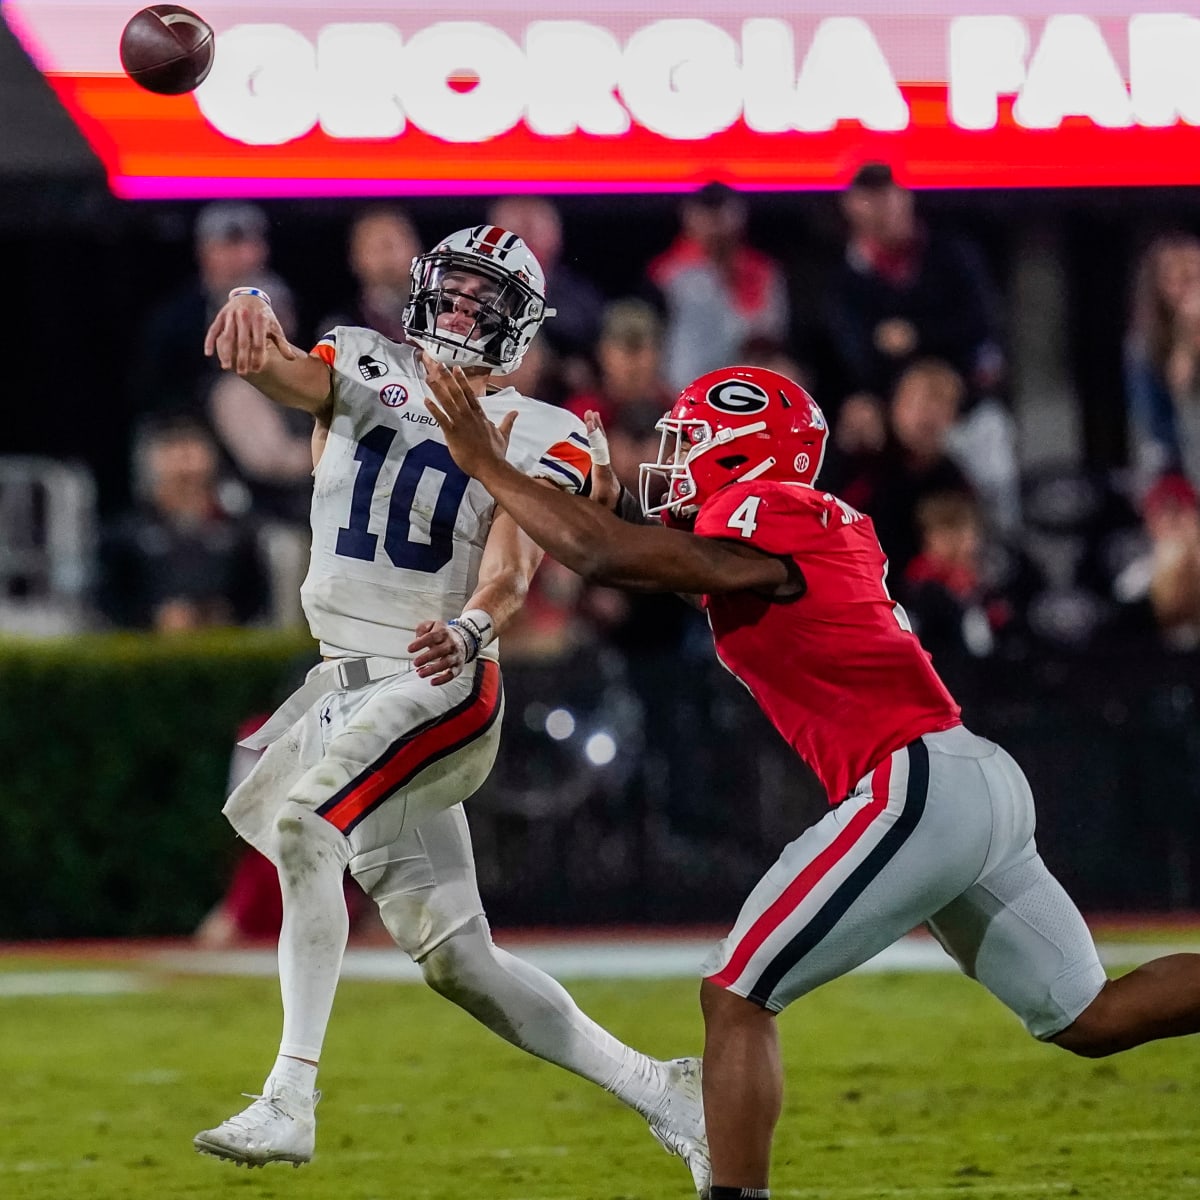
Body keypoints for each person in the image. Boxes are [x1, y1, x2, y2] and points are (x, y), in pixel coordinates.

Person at [425, 360, 1200, 1200]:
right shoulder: (806, 527)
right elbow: (657, 562)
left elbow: (608, 559)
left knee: (737, 994)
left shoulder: (777, 511)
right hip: (964, 780)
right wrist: (604, 509)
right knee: (1088, 1015)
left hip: (917, 784)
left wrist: (488, 465)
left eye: (693, 443)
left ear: (739, 456)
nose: (674, 460)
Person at [189, 225, 707, 1188]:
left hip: (439, 676)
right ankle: (667, 1090)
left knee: (308, 825)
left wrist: (471, 628)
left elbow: (512, 567)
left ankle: (290, 1097)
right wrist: (256, 305)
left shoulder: (542, 429)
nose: (465, 310)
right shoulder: (361, 358)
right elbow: (286, 373)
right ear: (425, 291)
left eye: (487, 299)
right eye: (455, 290)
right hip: (345, 679)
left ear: (521, 327)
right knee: (459, 960)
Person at [95, 414, 270, 631]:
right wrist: (153, 617)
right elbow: (108, 600)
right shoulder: (126, 533)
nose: (185, 462)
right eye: (172, 449)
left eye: (192, 447)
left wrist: (220, 615)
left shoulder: (239, 532)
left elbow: (257, 598)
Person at [647, 182, 791, 393]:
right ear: (689, 218)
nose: (714, 225)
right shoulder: (666, 273)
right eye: (705, 215)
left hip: (744, 390)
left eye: (721, 214)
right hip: (680, 392)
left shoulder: (763, 271)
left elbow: (772, 334)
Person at [1124, 231, 1200, 492]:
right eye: (1173, 280)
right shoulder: (1144, 346)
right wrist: (1186, 338)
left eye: (1192, 277)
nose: (1185, 289)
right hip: (1179, 464)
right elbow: (1159, 426)